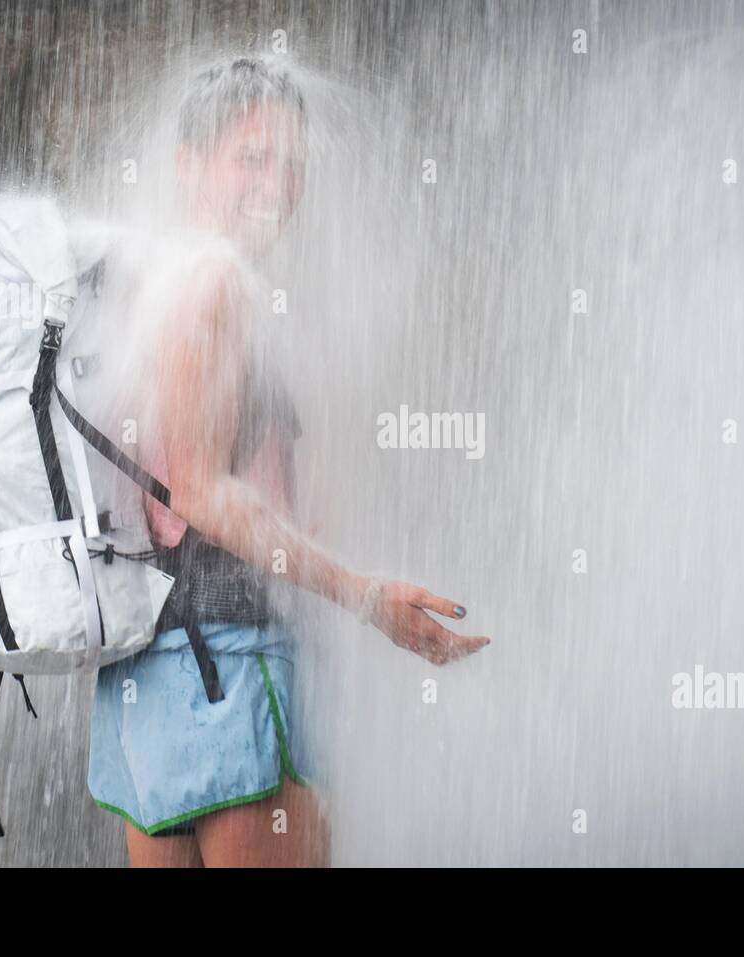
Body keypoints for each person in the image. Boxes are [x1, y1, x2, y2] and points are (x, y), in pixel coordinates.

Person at [87, 55, 490, 868]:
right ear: (189, 164)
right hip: (229, 675)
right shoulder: (214, 281)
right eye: (253, 157)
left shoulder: (142, 282)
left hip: (144, 690)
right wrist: (367, 596)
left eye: (293, 163)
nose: (280, 183)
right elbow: (202, 487)